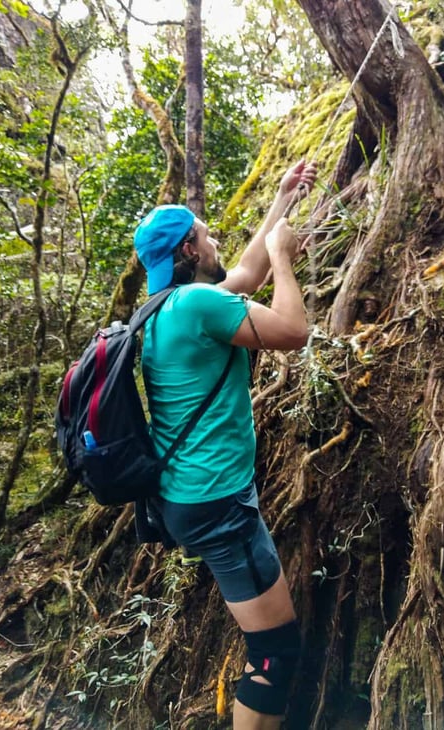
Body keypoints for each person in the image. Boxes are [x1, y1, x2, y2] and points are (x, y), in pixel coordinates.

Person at [133, 159, 317, 729]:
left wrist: (282, 199)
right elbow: (293, 330)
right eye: (205, 234)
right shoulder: (198, 306)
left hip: (188, 498)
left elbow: (245, 273)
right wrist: (286, 256)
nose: (215, 240)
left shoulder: (165, 309)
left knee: (270, 649)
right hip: (218, 505)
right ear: (190, 249)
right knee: (272, 656)